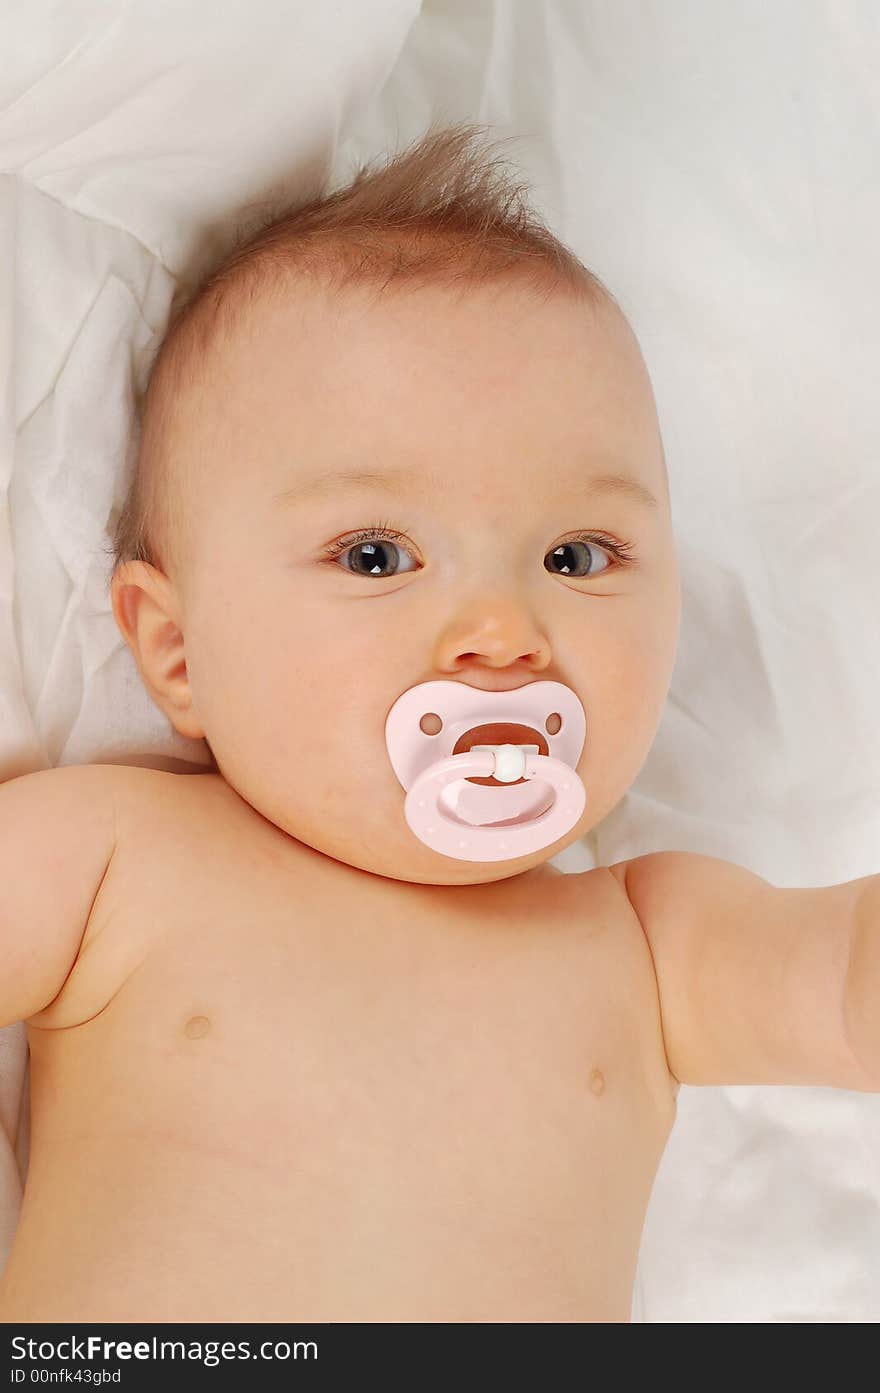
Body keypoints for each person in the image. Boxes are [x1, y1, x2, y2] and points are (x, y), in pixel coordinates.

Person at [0, 122, 875, 1322]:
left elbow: (841, 988)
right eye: (376, 554)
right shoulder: (113, 855)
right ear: (175, 649)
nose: (502, 631)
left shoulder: (649, 939)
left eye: (578, 554)